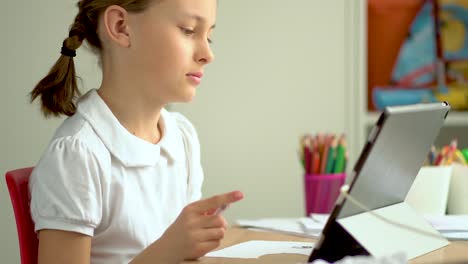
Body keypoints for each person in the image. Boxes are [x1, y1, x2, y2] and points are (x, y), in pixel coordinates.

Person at [28, 0, 244, 263]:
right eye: (188, 30)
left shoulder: (182, 138)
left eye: (209, 36)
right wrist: (167, 250)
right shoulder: (77, 155)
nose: (208, 54)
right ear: (121, 27)